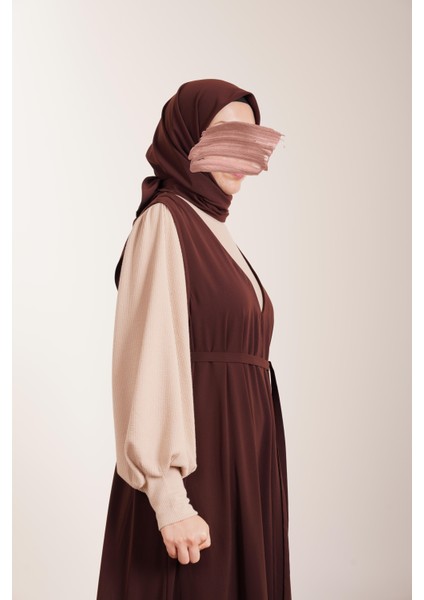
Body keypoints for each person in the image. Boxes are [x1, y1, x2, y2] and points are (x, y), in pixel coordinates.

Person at [96, 78, 292, 599]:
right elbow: (148, 360)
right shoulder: (165, 220)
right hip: (197, 473)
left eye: (249, 137)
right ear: (186, 137)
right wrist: (170, 501)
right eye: (224, 133)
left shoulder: (213, 227)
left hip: (243, 462)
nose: (240, 152)